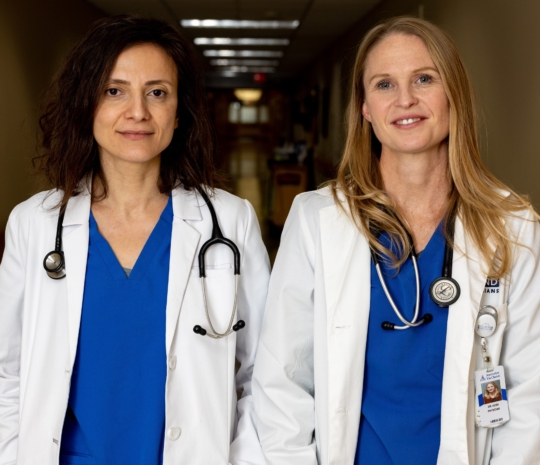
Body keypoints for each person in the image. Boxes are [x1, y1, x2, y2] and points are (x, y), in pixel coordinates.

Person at [252, 16, 540, 465]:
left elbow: (530, 392)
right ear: (364, 107)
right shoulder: (318, 221)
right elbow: (281, 382)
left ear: (454, 93)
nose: (405, 99)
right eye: (384, 84)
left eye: (424, 78)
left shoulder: (514, 227)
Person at [0, 15, 270, 465]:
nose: (138, 112)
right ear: (86, 104)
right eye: (114, 90)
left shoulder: (229, 220)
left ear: (179, 111)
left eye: (157, 92)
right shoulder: (34, 224)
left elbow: (264, 369)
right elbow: (6, 368)